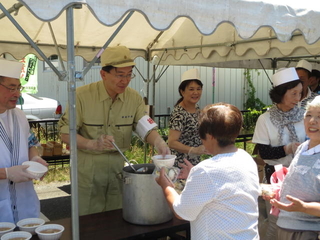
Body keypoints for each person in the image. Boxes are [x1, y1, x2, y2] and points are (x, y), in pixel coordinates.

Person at [58, 46, 170, 216]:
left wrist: (160, 142)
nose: (125, 80)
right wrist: (92, 144)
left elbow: (146, 129)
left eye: (129, 75)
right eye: (119, 75)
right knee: (88, 219)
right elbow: (65, 133)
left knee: (117, 216)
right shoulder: (81, 96)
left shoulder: (134, 98)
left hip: (119, 170)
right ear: (103, 74)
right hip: (87, 169)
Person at [156, 103, 260, 240]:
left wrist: (166, 186)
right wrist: (195, 174)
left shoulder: (206, 171)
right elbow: (224, 184)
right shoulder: (246, 158)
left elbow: (182, 212)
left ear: (210, 136)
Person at [252, 67, 307, 240]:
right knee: (275, 221)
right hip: (275, 178)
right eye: (293, 93)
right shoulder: (265, 119)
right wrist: (287, 148)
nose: (298, 99)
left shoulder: (304, 115)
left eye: (300, 93)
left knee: (298, 221)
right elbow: (264, 153)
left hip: (300, 175)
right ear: (281, 93)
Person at [0, 58, 48, 223]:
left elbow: (30, 142)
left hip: (25, 205)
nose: (18, 94)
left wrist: (35, 158)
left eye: (18, 87)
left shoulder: (19, 115)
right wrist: (6, 173)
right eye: (11, 88)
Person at [267, 96, 320, 240]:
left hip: (309, 231)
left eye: (319, 116)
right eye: (308, 115)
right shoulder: (302, 147)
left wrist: (304, 207)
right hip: (284, 224)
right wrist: (277, 192)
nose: (312, 120)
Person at [168, 68, 207, 167]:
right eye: (191, 89)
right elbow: (172, 142)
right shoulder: (179, 113)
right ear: (182, 91)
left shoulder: (197, 108)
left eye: (198, 89)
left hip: (194, 163)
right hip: (180, 164)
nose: (196, 92)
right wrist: (192, 150)